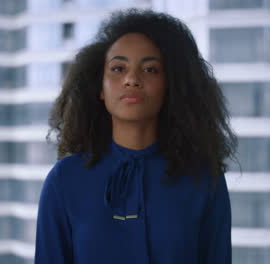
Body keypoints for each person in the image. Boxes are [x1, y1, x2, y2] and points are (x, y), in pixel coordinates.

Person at [34, 7, 240, 264]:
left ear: (170, 85)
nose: (132, 79)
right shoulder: (64, 180)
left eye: (150, 69)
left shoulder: (204, 180)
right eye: (118, 68)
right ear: (100, 87)